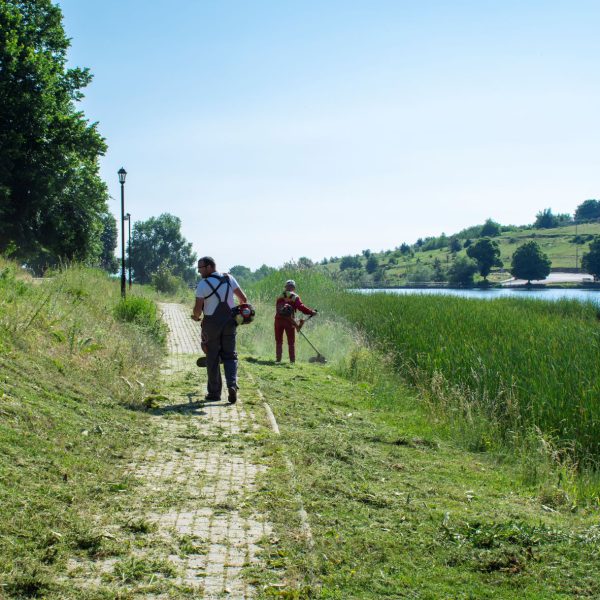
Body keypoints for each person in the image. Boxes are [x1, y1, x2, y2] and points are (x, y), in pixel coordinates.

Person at [191, 257, 248, 403]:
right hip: (229, 322)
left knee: (212, 357)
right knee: (230, 356)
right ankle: (232, 386)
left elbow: (198, 308)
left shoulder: (203, 284)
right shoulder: (229, 278)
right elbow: (243, 299)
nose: (199, 271)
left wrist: (196, 317)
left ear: (210, 267)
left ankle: (215, 393)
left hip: (211, 325)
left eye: (201, 268)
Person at [274, 279, 317, 363]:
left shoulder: (280, 296)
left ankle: (278, 360)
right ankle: (292, 361)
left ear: (285, 287)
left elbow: (278, 308)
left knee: (279, 341)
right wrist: (311, 312)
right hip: (289, 322)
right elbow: (301, 307)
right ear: (294, 288)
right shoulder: (295, 296)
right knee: (291, 342)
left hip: (278, 320)